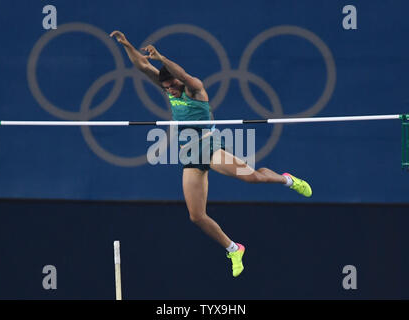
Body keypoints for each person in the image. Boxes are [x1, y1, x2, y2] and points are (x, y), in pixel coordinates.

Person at [110, 30, 312, 277]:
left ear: (179, 81)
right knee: (196, 216)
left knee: (253, 177)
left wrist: (162, 58)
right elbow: (142, 66)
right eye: (167, 88)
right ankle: (234, 248)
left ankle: (287, 180)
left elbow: (182, 75)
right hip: (190, 155)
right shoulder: (168, 88)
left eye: (173, 86)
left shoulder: (195, 90)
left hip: (210, 146)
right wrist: (127, 45)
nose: (171, 92)